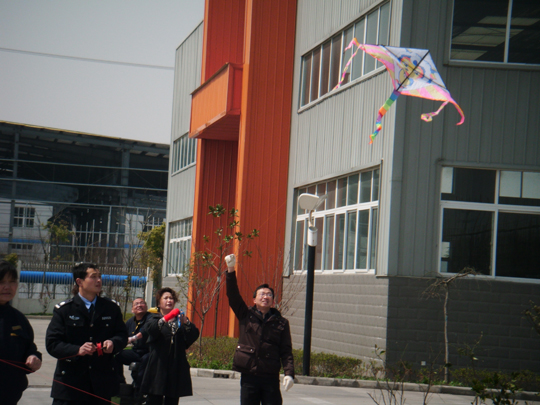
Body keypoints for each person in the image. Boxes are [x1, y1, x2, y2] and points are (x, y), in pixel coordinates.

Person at [45, 262, 128, 404]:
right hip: (71, 385)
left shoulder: (111, 308)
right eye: (93, 277)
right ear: (79, 282)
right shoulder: (65, 310)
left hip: (101, 384)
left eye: (100, 276)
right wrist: (77, 350)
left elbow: (122, 335)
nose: (99, 280)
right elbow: (53, 343)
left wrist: (113, 343)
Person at [225, 254, 294, 405]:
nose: (265, 297)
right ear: (254, 300)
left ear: (273, 300)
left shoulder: (281, 323)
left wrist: (289, 373)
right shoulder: (246, 315)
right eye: (262, 294)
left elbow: (286, 351)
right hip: (249, 376)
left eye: (269, 294)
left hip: (270, 376)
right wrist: (230, 269)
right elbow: (233, 295)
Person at [140, 287, 199, 405]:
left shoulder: (180, 321)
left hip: (176, 366)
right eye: (165, 298)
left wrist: (186, 323)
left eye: (171, 298)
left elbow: (193, 335)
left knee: (172, 400)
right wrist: (166, 318)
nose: (169, 301)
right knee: (154, 399)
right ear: (159, 303)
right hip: (158, 366)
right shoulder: (153, 319)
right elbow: (151, 330)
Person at [0, 260, 42, 405]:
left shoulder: (18, 318)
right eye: (1, 282)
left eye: (12, 282)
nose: (7, 287)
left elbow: (29, 348)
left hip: (10, 397)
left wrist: (33, 358)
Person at [114, 297, 151, 385]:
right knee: (116, 356)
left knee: (142, 364)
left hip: (149, 352)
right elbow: (122, 335)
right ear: (132, 309)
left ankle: (139, 387)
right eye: (136, 304)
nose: (139, 305)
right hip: (136, 352)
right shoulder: (130, 322)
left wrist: (133, 338)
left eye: (142, 303)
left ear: (146, 307)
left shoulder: (151, 318)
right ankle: (121, 383)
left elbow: (146, 330)